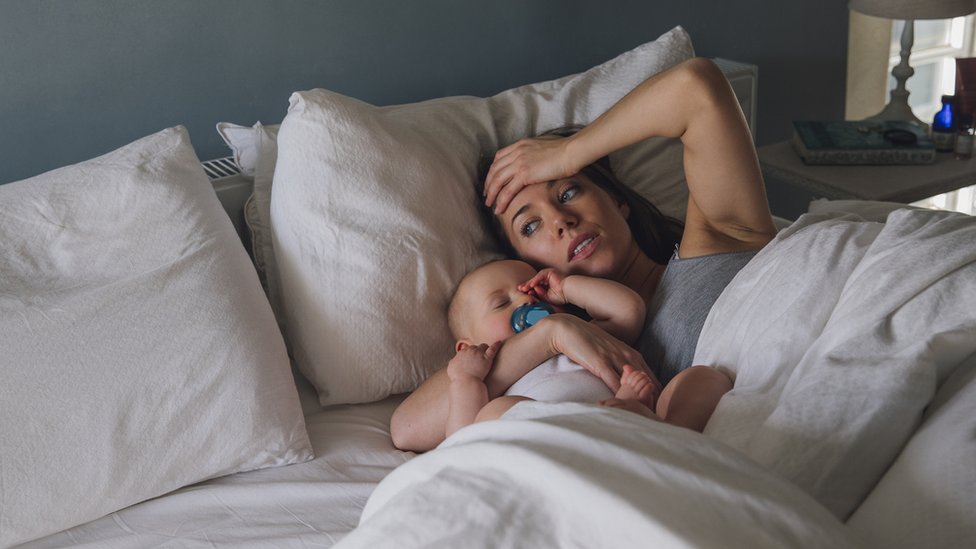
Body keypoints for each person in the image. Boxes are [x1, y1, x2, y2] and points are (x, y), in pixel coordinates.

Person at [391, 57, 777, 452]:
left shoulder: (719, 237)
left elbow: (697, 87)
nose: (560, 220)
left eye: (569, 191)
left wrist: (568, 153)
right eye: (530, 226)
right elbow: (408, 426)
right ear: (527, 267)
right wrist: (552, 334)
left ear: (618, 200)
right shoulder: (574, 348)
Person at [444, 258, 732, 438]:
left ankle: (670, 433)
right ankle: (615, 421)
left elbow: (628, 309)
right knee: (495, 414)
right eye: (501, 303)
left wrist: (566, 288)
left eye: (531, 291)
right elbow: (462, 442)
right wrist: (465, 378)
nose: (525, 301)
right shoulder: (489, 382)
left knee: (703, 378)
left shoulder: (587, 336)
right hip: (556, 444)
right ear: (466, 346)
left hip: (636, 428)